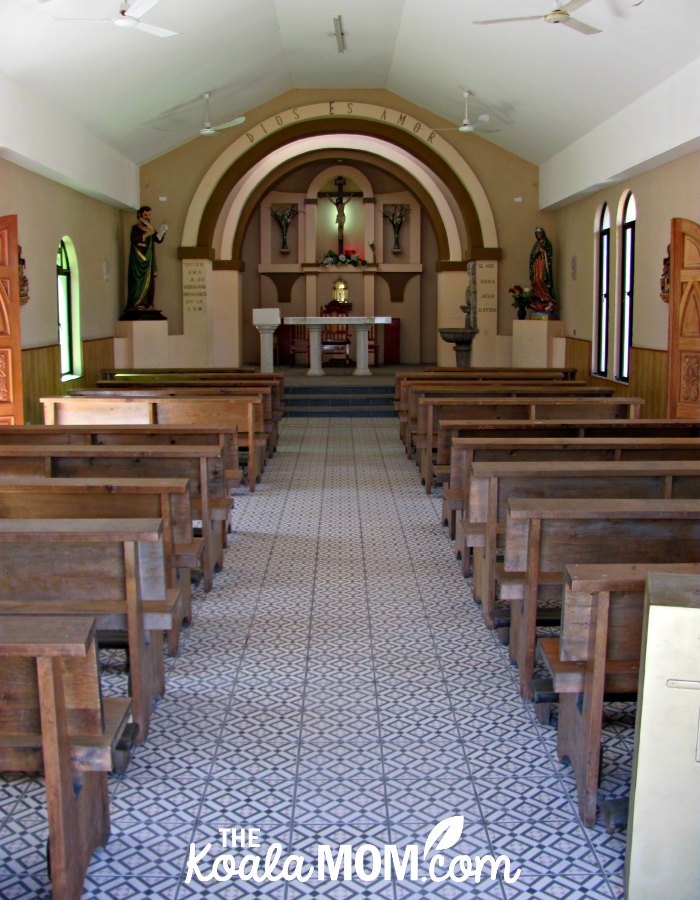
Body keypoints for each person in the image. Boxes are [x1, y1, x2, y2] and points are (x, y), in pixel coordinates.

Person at [122, 205, 167, 317]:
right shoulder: (136, 228)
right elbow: (134, 239)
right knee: (138, 281)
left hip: (149, 260)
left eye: (149, 215)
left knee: (150, 281)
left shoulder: (150, 227)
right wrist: (147, 234)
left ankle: (148, 304)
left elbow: (157, 239)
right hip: (139, 259)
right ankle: (137, 303)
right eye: (145, 214)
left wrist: (162, 231)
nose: (147, 217)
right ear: (140, 215)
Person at [529, 226, 555, 313]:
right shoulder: (536, 244)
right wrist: (536, 252)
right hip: (537, 265)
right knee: (536, 280)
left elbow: (549, 254)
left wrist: (542, 251)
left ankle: (547, 300)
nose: (538, 235)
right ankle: (540, 299)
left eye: (540, 233)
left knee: (542, 280)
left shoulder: (547, 243)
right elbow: (532, 255)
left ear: (543, 234)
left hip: (543, 265)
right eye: (537, 234)